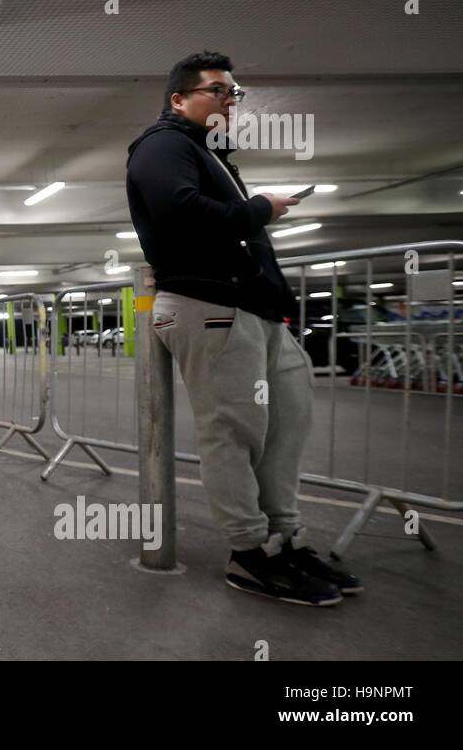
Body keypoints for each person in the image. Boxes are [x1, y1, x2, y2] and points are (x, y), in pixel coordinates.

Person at [125, 51, 362, 606]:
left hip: (254, 309)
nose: (230, 101)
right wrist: (261, 207)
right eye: (217, 91)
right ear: (179, 99)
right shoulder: (163, 146)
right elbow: (179, 211)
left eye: (235, 93)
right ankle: (249, 553)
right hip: (210, 305)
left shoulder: (211, 154)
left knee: (286, 426)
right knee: (233, 431)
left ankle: (283, 537)